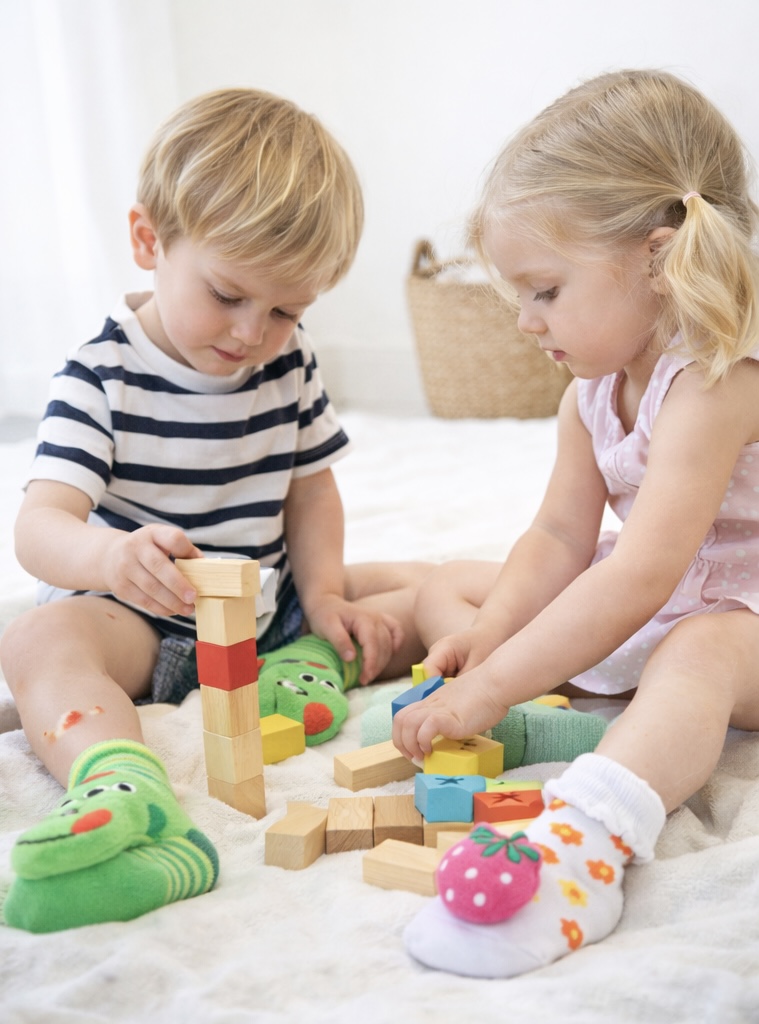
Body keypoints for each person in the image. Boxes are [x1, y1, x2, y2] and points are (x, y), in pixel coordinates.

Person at [1, 87, 429, 933]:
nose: (250, 334)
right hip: (142, 621)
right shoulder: (99, 376)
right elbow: (39, 527)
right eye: (228, 294)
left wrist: (325, 595)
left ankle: (321, 654)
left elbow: (310, 487)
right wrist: (110, 559)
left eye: (285, 310)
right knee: (36, 641)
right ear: (148, 241)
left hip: (267, 608)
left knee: (428, 587)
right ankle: (122, 787)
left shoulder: (288, 363)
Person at [394, 68, 759, 978]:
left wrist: (488, 689)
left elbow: (638, 575)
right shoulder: (588, 394)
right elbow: (557, 540)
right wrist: (490, 637)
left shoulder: (714, 383)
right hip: (666, 588)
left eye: (544, 290)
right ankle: (553, 694)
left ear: (657, 259)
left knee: (698, 652)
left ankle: (590, 838)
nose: (524, 321)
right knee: (459, 586)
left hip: (739, 616)